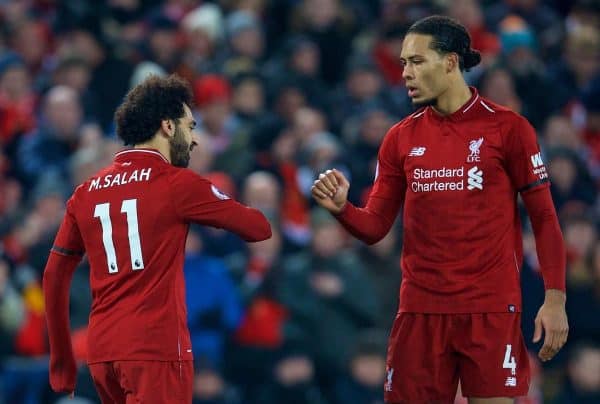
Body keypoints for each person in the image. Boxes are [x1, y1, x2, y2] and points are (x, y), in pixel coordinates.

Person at [312, 16, 568, 404]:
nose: (406, 74)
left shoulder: (509, 129)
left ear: (450, 62)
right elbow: (376, 226)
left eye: (416, 62)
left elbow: (545, 218)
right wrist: (343, 209)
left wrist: (555, 300)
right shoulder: (400, 138)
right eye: (402, 64)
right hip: (420, 309)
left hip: (489, 308)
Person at [43, 75, 272, 403]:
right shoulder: (177, 184)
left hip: (103, 352)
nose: (193, 139)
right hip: (156, 349)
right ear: (167, 126)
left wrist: (62, 359)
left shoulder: (86, 192)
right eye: (190, 126)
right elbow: (259, 228)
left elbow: (54, 276)